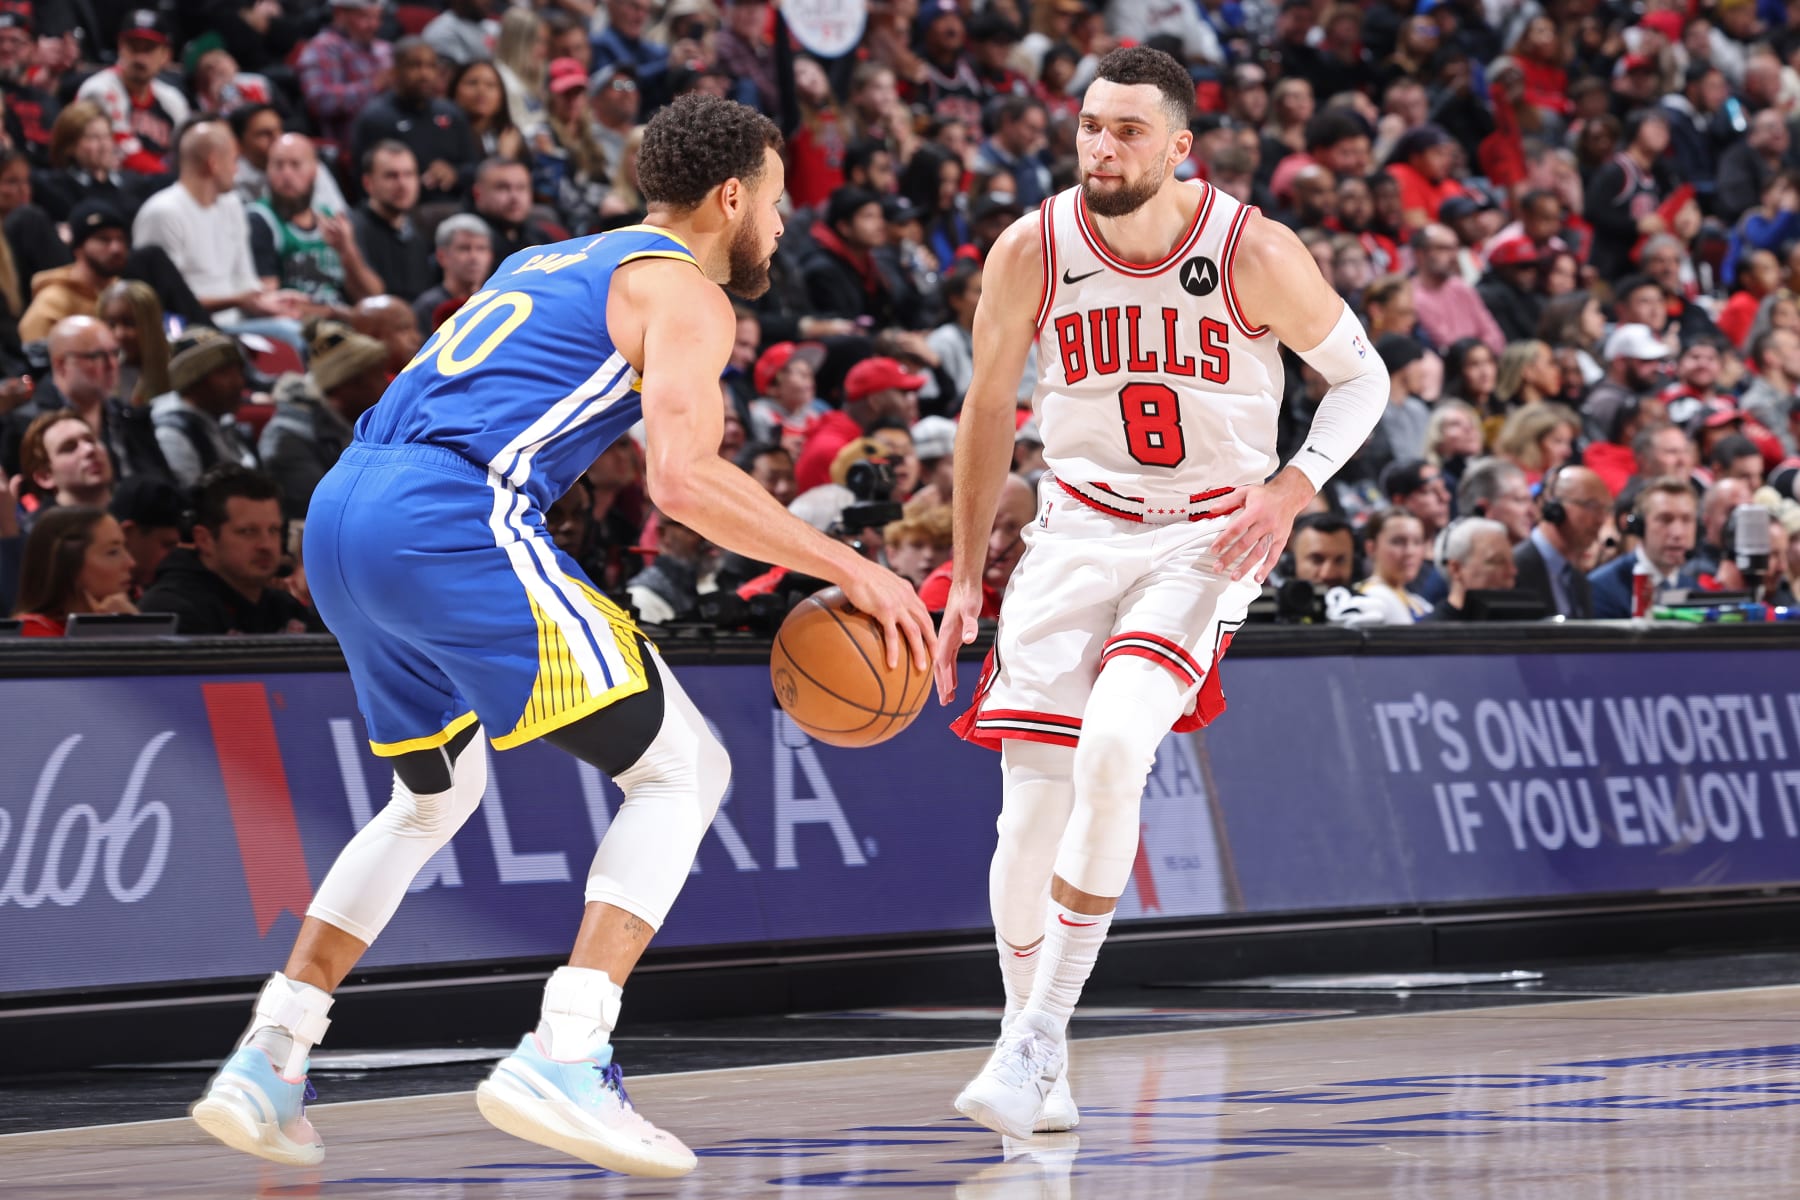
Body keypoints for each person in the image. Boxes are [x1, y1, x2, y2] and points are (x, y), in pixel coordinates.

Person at [189, 94, 932, 1178]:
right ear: (732, 197)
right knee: (688, 769)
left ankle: (271, 1054)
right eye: (776, 202)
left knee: (432, 796)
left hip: (345, 512)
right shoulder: (685, 289)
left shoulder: (548, 257)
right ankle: (568, 1051)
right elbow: (682, 481)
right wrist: (859, 564)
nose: (779, 225)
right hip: (454, 511)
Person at [932, 48, 1387, 1142]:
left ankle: (1039, 1034)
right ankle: (1030, 1048)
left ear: (1180, 146)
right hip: (1075, 530)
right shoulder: (1031, 248)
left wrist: (1290, 490)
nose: (1102, 146)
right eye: (1091, 125)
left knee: (1115, 746)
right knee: (1029, 806)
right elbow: (989, 411)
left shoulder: (1253, 250)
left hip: (1204, 537)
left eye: (1129, 130)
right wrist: (959, 575)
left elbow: (1364, 377)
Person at [138, 465, 318, 634]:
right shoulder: (171, 612)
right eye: (248, 532)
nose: (266, 545)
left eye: (273, 530)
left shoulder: (284, 609)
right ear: (205, 539)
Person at [260, 320, 388, 518]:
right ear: (348, 384)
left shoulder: (356, 421)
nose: (387, 385)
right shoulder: (287, 439)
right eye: (377, 376)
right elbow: (326, 513)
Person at [151, 328, 258, 488]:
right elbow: (193, 503)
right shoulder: (171, 433)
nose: (238, 382)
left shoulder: (220, 418)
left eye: (238, 372)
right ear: (192, 380)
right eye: (224, 373)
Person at [11, 505, 137, 635]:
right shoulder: (31, 635)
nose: (131, 563)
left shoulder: (118, 617)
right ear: (68, 564)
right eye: (112, 552)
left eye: (125, 548)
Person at [1588, 477, 1702, 618]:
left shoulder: (1694, 590)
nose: (1678, 533)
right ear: (1639, 526)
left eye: (1686, 520)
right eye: (1665, 520)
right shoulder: (1602, 588)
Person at [1513, 464, 1609, 618]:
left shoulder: (1578, 580)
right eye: (1591, 506)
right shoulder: (1515, 569)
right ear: (1555, 508)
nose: (1601, 519)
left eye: (1605, 509)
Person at [1425, 516, 1517, 620]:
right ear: (1456, 569)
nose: (1512, 571)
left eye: (1511, 562)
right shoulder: (1430, 633)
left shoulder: (1519, 622)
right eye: (1497, 561)